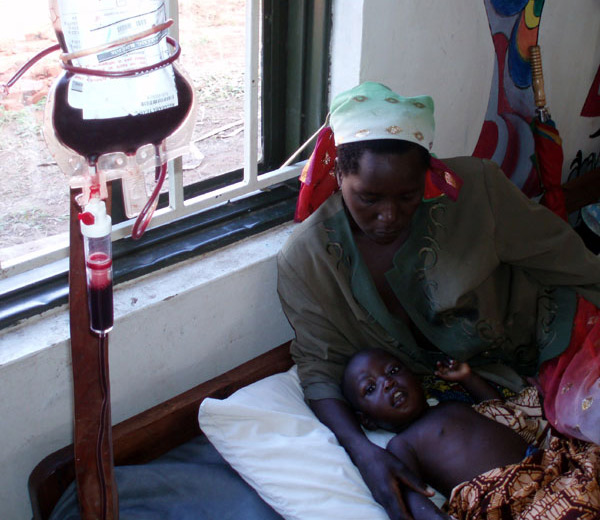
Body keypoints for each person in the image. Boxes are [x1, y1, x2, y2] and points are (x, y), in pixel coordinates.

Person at [276, 81, 600, 519]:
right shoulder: (308, 259)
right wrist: (363, 453)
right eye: (368, 198)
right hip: (500, 396)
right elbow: (319, 365)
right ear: (339, 176)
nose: (388, 216)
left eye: (407, 196)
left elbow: (565, 259)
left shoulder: (476, 190)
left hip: (555, 339)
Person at [342, 348, 600, 520]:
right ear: (367, 420)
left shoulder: (451, 403)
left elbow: (500, 412)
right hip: (506, 500)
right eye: (371, 388)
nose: (388, 382)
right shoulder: (402, 445)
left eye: (394, 371)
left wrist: (468, 378)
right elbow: (413, 495)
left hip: (546, 467)